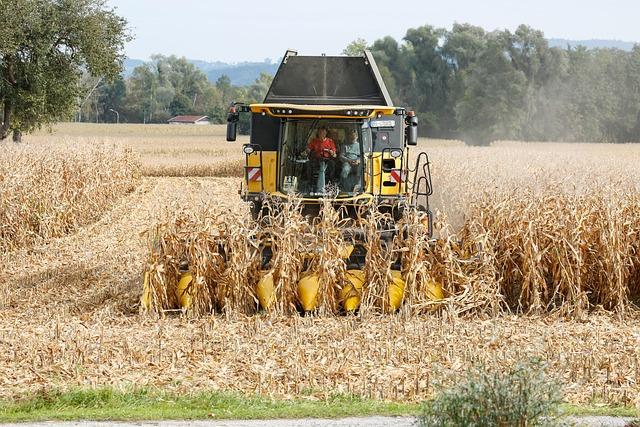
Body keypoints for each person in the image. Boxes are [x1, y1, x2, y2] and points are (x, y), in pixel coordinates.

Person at [307, 126, 337, 192]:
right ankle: (310, 184)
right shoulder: (314, 141)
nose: (322, 134)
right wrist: (308, 151)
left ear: (326, 133)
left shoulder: (330, 141)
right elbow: (308, 149)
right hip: (317, 159)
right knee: (309, 165)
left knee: (332, 165)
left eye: (323, 132)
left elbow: (334, 154)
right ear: (318, 133)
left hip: (327, 159)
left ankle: (331, 183)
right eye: (320, 132)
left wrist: (330, 151)